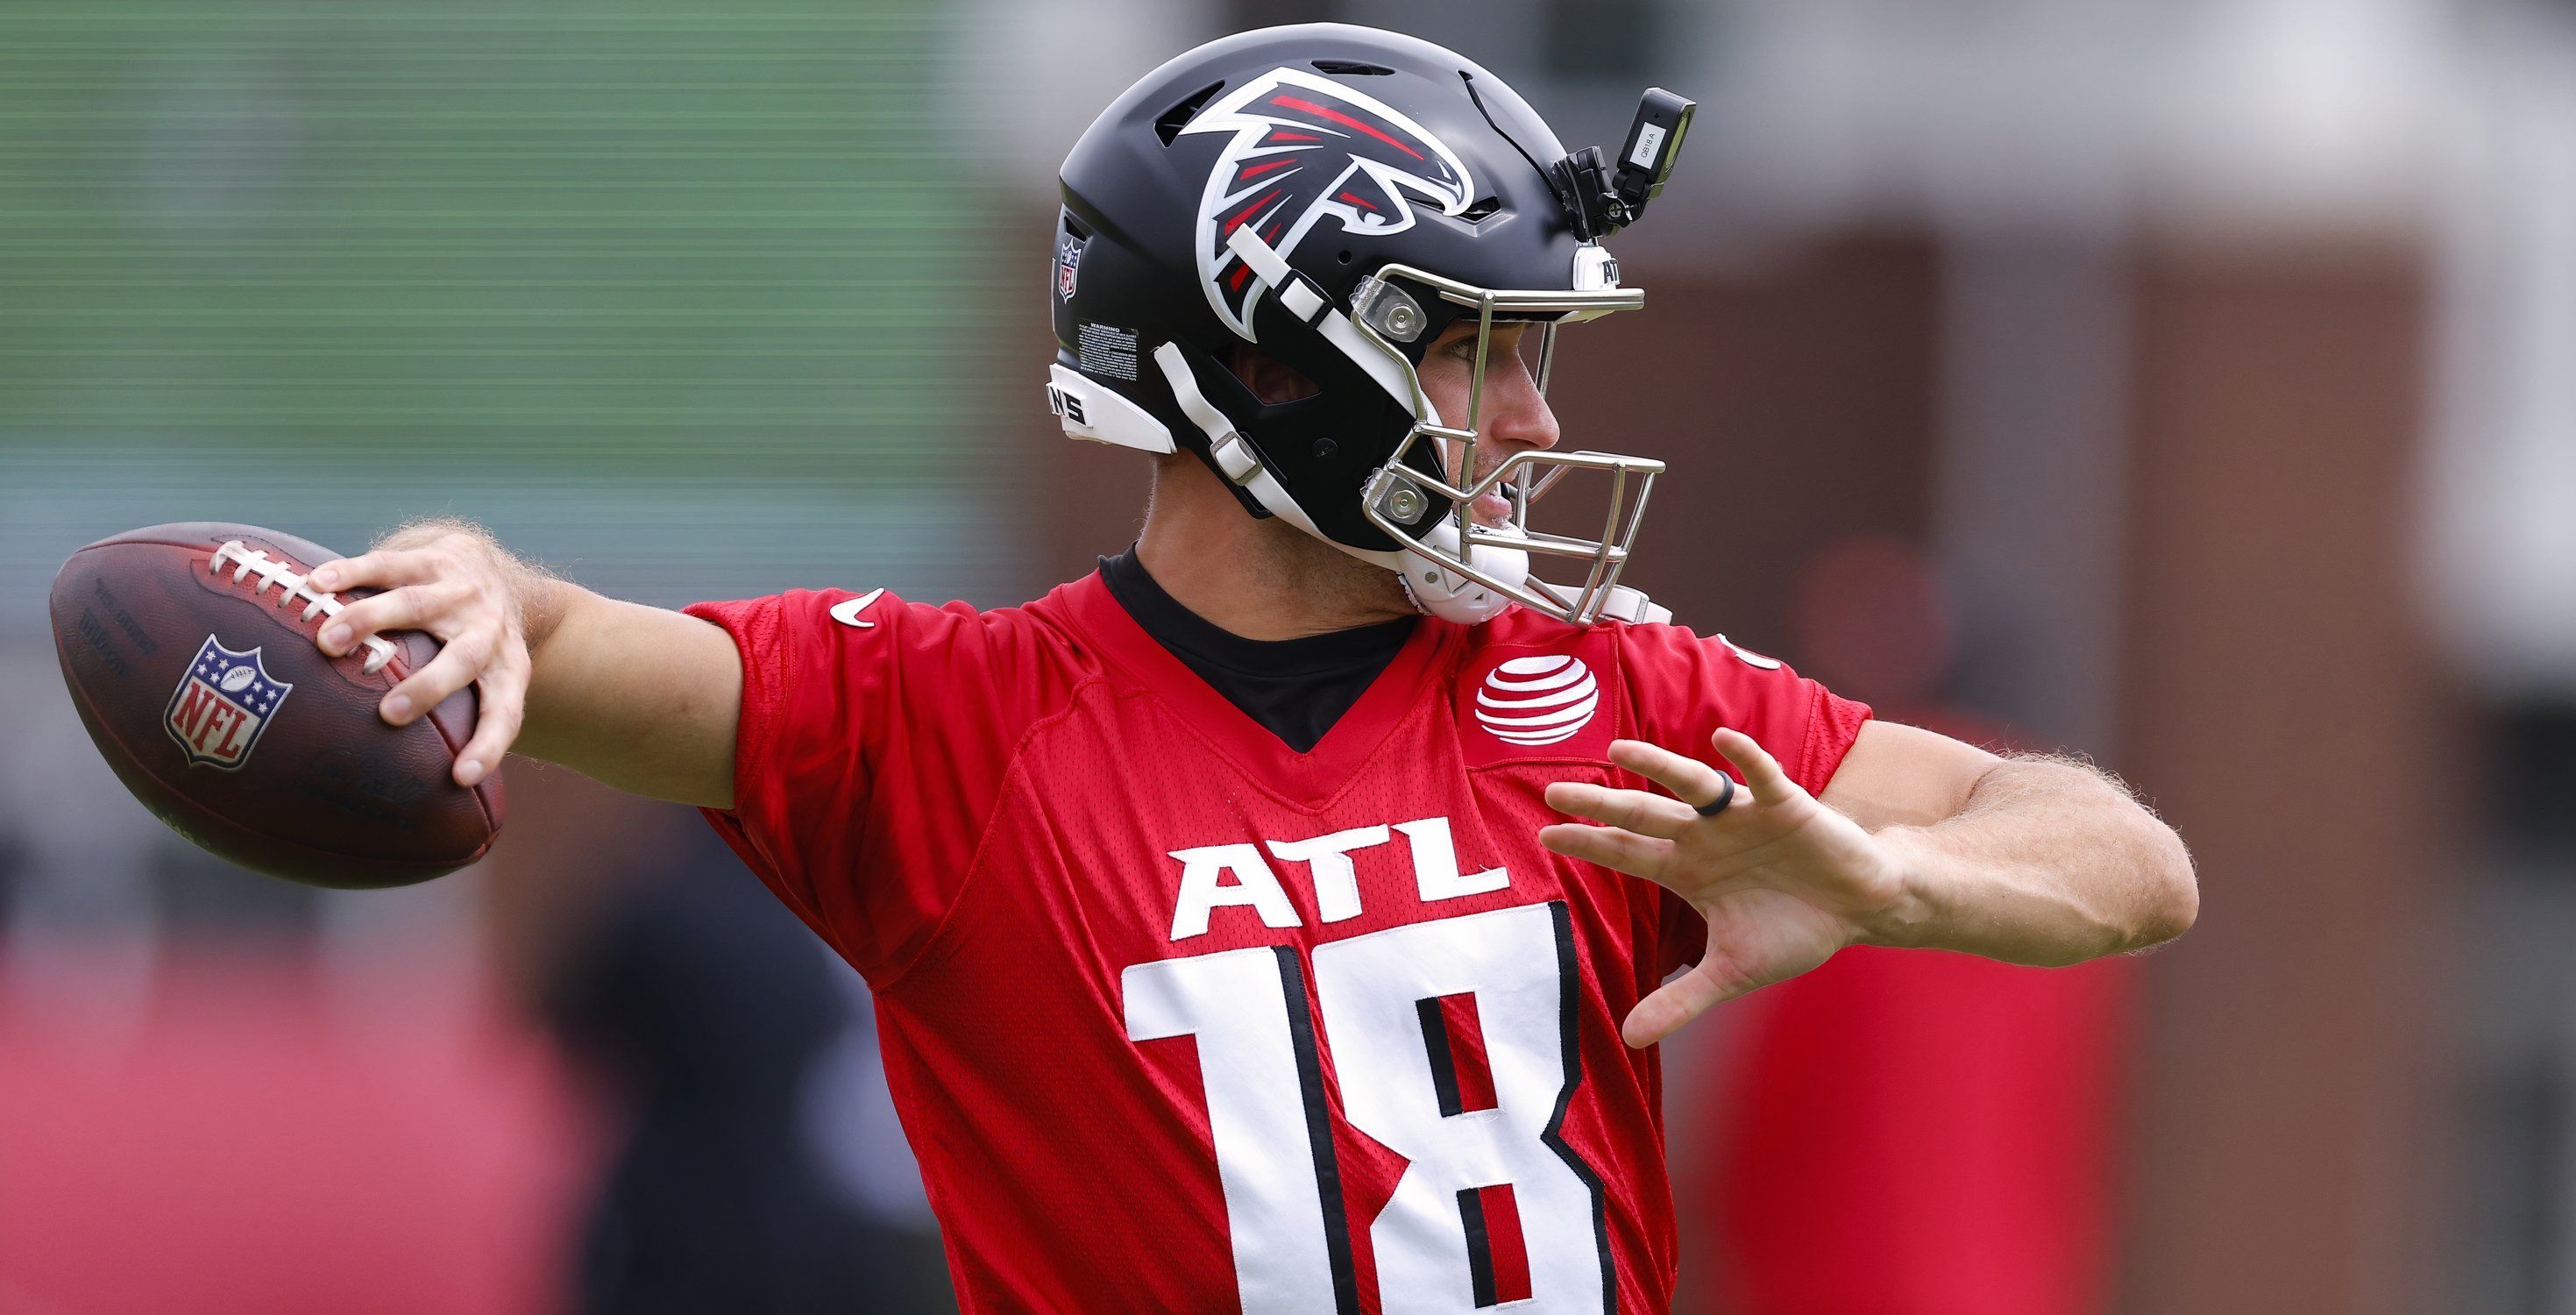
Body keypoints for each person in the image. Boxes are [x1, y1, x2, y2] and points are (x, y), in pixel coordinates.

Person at [294, 25, 2197, 1312]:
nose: (1532, 423)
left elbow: (2128, 864)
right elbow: (562, 644)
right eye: (1476, 349)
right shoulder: (948, 728)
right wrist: (475, 580)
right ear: (1265, 365)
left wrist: (1895, 878)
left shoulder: (1608, 691)